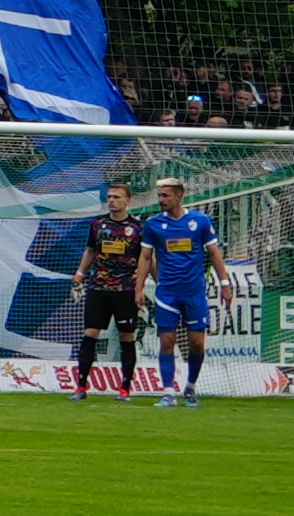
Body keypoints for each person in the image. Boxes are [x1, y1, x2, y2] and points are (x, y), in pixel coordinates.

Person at [139, 174, 222, 407]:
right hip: (167, 293)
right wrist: (139, 287)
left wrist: (225, 284)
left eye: (165, 195)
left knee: (197, 343)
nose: (161, 200)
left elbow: (214, 252)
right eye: (159, 195)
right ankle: (168, 392)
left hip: (194, 292)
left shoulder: (200, 221)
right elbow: (145, 257)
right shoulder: (153, 224)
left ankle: (191, 387)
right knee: (167, 341)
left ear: (179, 195)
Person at [71, 174, 149, 400]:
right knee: (90, 332)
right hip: (98, 287)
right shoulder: (97, 224)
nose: (112, 200)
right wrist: (79, 274)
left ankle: (125, 389)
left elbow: (145, 258)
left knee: (127, 336)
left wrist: (144, 285)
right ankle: (81, 387)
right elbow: (90, 250)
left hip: (126, 289)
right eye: (109, 197)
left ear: (127, 201)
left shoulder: (138, 228)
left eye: (116, 197)